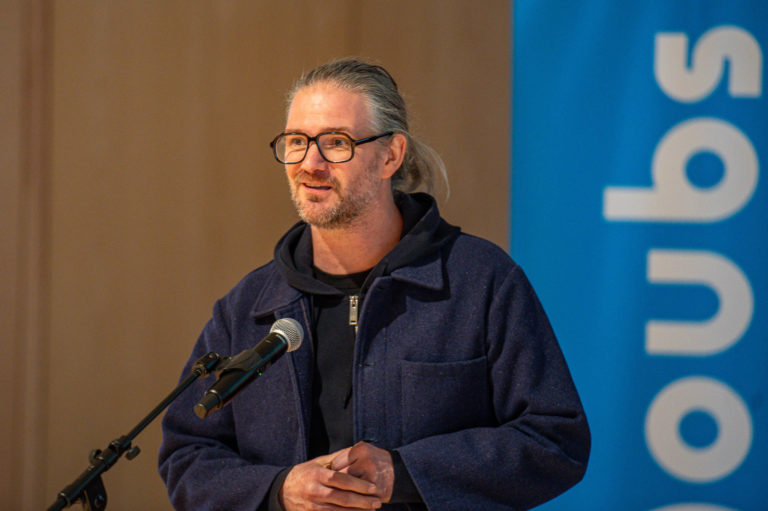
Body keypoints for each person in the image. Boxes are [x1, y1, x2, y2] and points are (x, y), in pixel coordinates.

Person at [158, 57, 590, 511]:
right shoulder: (247, 307)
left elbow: (555, 437)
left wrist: (402, 474)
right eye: (297, 141)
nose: (310, 163)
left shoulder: (481, 281)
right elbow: (188, 456)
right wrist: (279, 491)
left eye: (336, 143)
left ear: (391, 155)